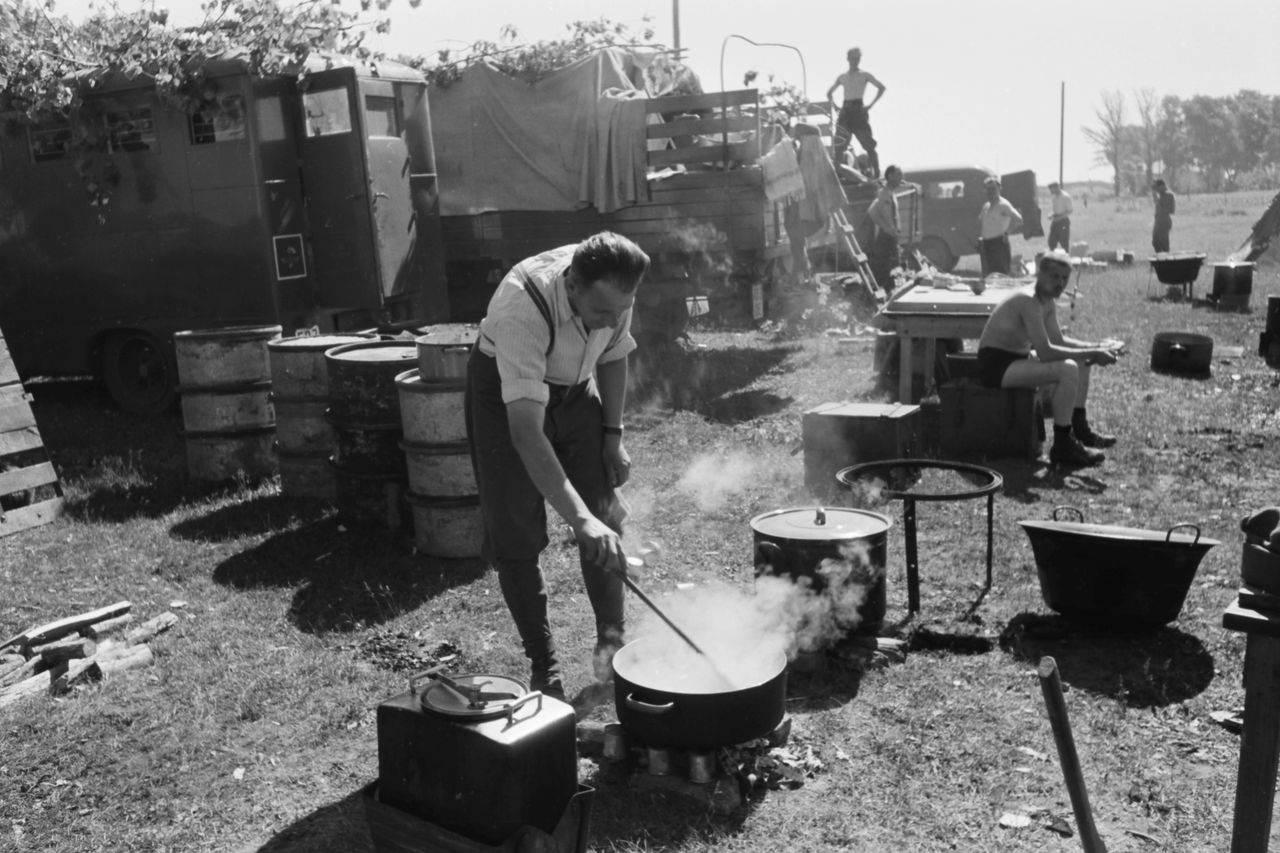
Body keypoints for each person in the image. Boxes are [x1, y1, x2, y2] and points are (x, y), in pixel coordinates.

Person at [465, 231, 650, 700]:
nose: (613, 319)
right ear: (571, 288)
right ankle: (543, 664)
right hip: (507, 395)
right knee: (516, 529)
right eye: (602, 312)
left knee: (605, 510)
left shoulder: (613, 289)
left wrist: (612, 435)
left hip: (575, 388)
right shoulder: (520, 309)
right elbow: (527, 433)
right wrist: (577, 519)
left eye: (619, 310)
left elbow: (613, 353)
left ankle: (612, 648)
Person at [976, 249, 1121, 467]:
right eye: (1055, 277)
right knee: (1068, 368)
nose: (1060, 283)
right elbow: (1046, 352)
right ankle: (1063, 444)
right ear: (1040, 274)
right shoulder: (1029, 300)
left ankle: (1080, 430)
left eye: (1064, 278)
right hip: (996, 366)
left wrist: (1097, 346)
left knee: (1079, 362)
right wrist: (1093, 352)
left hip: (1016, 359)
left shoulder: (1046, 301)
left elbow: (1059, 341)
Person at [825, 47, 885, 178]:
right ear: (848, 59)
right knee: (840, 144)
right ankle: (837, 174)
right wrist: (835, 106)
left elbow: (881, 87)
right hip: (846, 110)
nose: (855, 61)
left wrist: (870, 105)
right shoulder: (843, 77)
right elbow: (829, 93)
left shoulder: (864, 75)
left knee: (868, 144)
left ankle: (876, 173)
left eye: (857, 58)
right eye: (853, 58)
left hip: (858, 109)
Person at [866, 164, 904, 294]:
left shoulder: (891, 194)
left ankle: (890, 294)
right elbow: (872, 211)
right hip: (885, 238)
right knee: (883, 270)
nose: (901, 177)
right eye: (898, 174)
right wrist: (885, 227)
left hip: (891, 237)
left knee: (893, 269)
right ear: (890, 176)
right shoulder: (883, 194)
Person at [978, 176, 1023, 277]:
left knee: (1001, 274)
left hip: (999, 243)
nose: (990, 191)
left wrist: (1007, 233)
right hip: (986, 244)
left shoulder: (1004, 205)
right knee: (988, 275)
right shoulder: (986, 206)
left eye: (993, 189)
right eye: (988, 189)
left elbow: (1018, 219)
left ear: (999, 189)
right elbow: (981, 221)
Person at [1047, 182, 1073, 252]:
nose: (1051, 191)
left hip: (1063, 222)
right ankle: (1052, 259)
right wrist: (1051, 214)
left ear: (1056, 188)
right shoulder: (1054, 197)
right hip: (1055, 222)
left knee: (1064, 243)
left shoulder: (1065, 197)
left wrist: (1059, 218)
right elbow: (1055, 210)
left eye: (1052, 189)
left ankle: (1066, 260)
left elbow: (1070, 211)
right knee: (1051, 242)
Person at [1152, 178, 1176, 253]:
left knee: (1164, 244)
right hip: (1158, 222)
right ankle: (1160, 258)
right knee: (1155, 242)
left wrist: (1155, 197)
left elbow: (1167, 209)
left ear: (1162, 186)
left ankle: (1165, 260)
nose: (1156, 190)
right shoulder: (1161, 195)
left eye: (1157, 188)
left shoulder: (1168, 194)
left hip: (1164, 222)